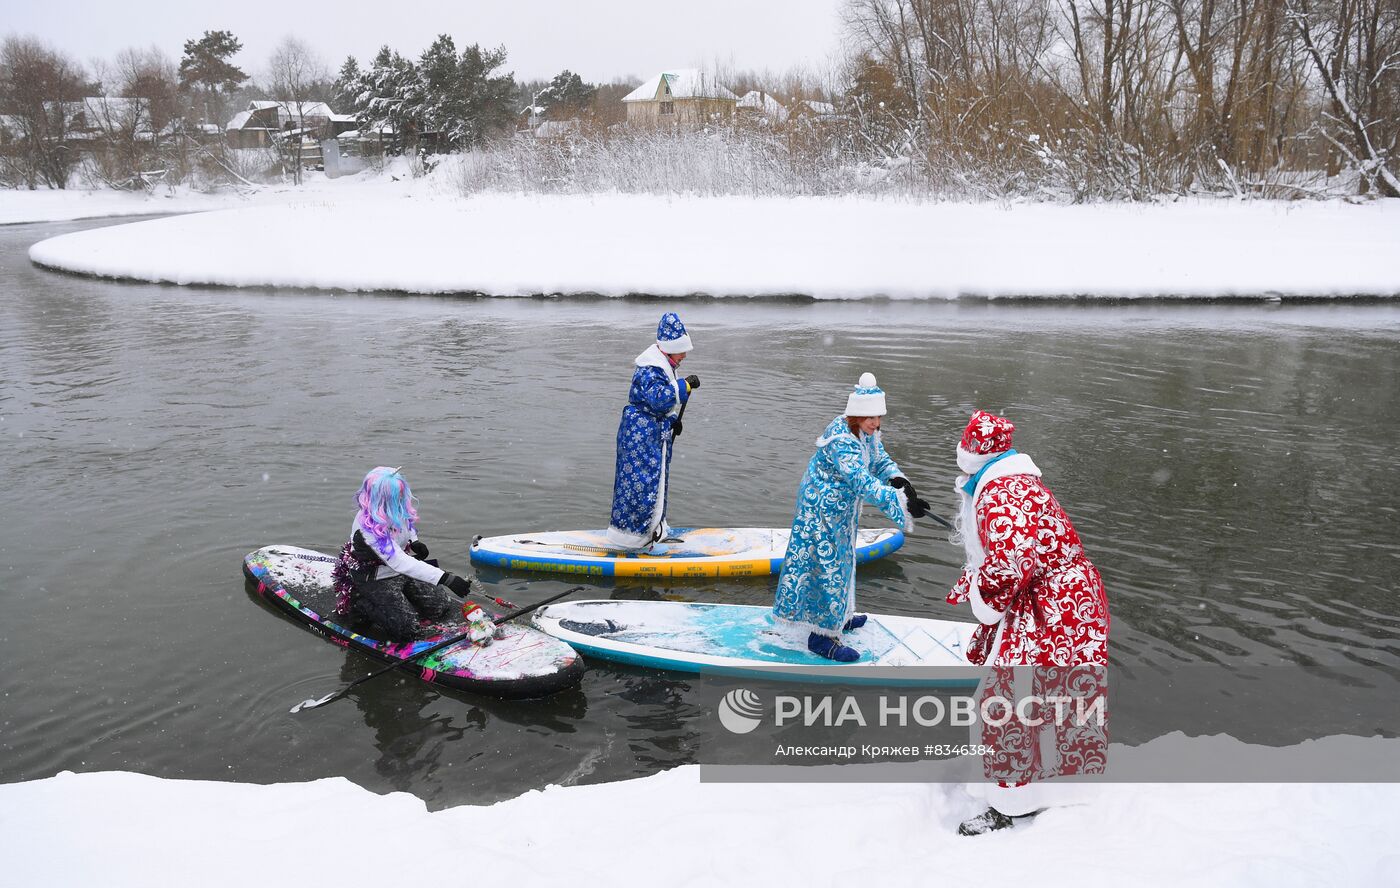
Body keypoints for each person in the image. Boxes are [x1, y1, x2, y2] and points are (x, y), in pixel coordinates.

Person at [944, 411, 1109, 835]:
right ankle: (1064, 787)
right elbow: (1021, 551)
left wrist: (986, 605)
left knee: (1009, 697)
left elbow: (1013, 560)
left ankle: (1010, 804)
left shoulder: (997, 492)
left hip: (1049, 604)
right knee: (1064, 691)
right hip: (1073, 599)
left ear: (970, 458)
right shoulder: (1018, 481)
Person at [772, 373, 930, 662]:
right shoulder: (842, 439)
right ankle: (822, 638)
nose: (877, 424)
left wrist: (900, 482)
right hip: (821, 509)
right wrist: (902, 502)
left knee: (844, 561)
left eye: (879, 417)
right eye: (871, 418)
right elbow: (862, 482)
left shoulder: (865, 432)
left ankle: (840, 617)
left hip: (841, 510)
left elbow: (879, 461)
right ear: (856, 414)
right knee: (828, 567)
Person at [331, 466, 495, 644]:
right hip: (373, 578)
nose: (402, 498)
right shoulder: (367, 528)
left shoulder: (395, 508)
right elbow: (399, 561)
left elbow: (406, 524)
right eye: (397, 495)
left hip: (399, 573)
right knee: (406, 629)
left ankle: (399, 603)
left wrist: (414, 540)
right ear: (383, 498)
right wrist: (446, 578)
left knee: (440, 606)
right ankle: (360, 605)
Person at [606, 312, 701, 550]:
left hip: (649, 434)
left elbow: (657, 407)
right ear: (670, 349)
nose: (684, 356)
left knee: (653, 483)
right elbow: (658, 400)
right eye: (682, 351)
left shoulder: (661, 365)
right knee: (641, 484)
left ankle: (652, 531)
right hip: (641, 437)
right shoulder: (650, 369)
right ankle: (631, 538)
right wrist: (683, 385)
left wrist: (671, 422)